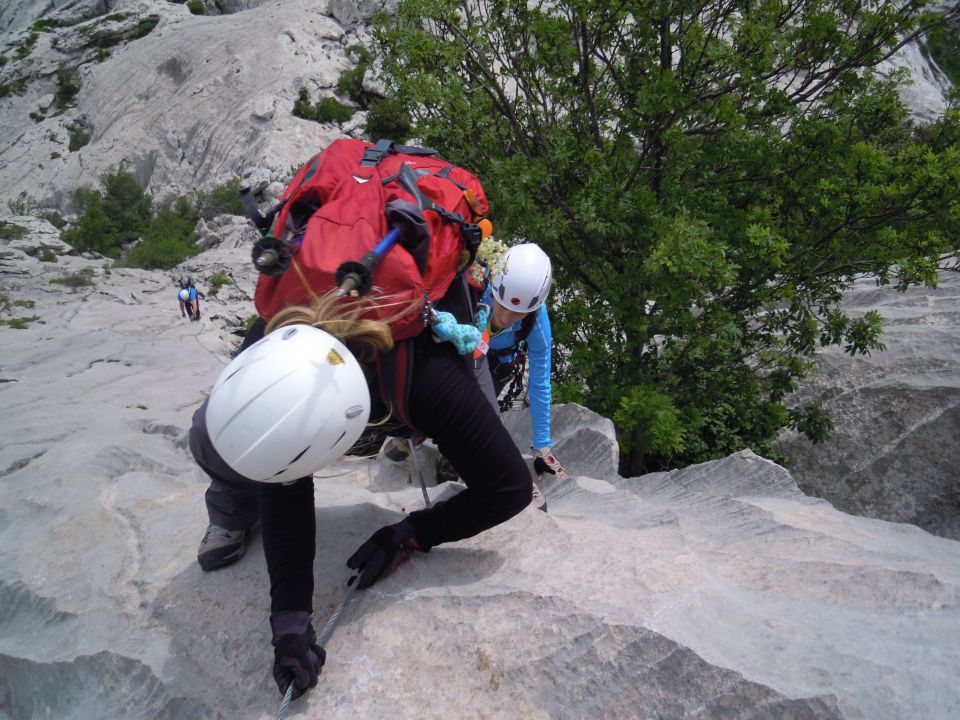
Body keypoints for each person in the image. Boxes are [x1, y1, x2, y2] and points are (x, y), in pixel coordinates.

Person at [189, 276, 534, 700]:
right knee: (217, 438)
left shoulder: (431, 379)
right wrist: (290, 620)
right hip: (353, 360)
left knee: (484, 448)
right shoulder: (272, 342)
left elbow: (510, 490)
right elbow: (284, 483)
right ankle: (231, 508)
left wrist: (414, 533)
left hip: (427, 344)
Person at [384, 243, 564, 508]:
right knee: (453, 402)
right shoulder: (477, 286)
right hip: (463, 349)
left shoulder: (536, 322)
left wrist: (542, 445)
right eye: (501, 304)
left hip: (495, 362)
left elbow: (539, 383)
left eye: (517, 312)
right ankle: (418, 431)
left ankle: (451, 461)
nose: (505, 316)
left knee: (478, 419)